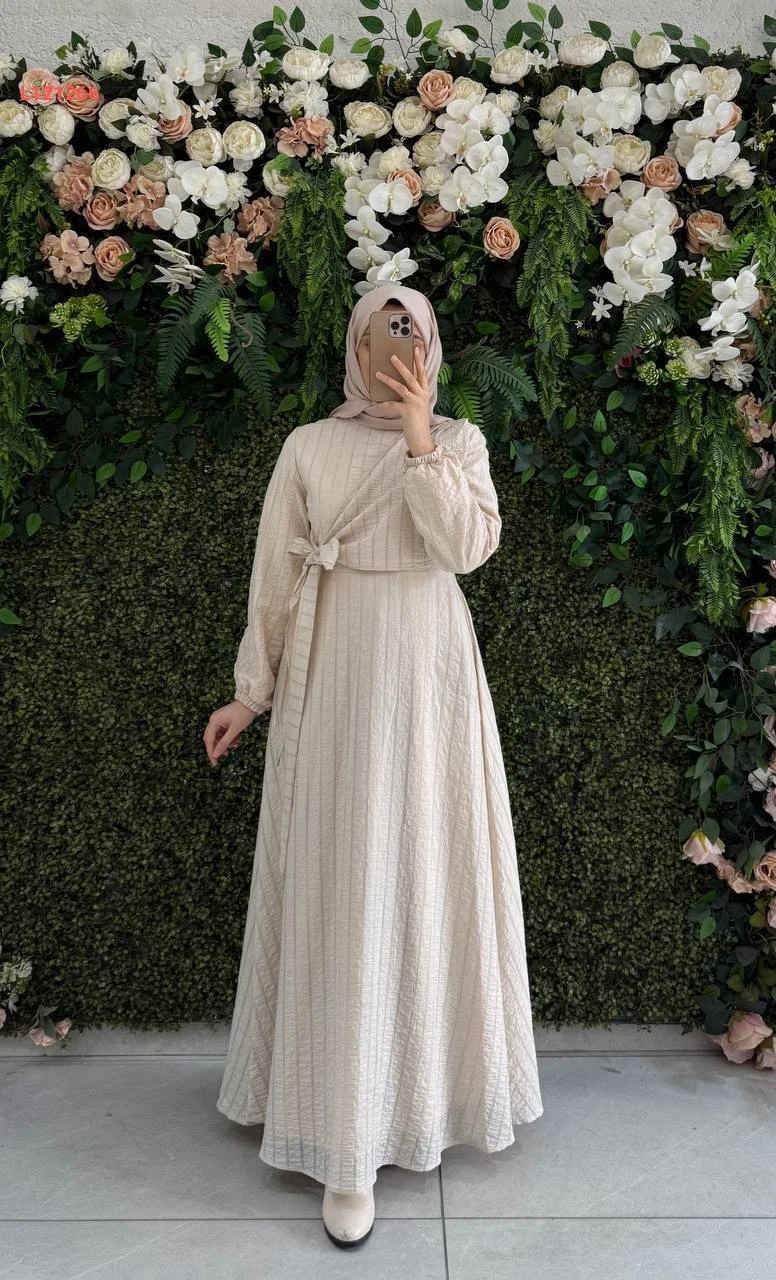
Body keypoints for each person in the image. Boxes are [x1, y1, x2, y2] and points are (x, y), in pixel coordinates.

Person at [204, 283, 544, 1249]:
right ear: (356, 348)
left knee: (430, 874)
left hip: (432, 678)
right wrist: (251, 692)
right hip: (336, 673)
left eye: (413, 333)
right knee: (346, 879)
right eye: (381, 333)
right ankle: (341, 1133)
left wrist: (423, 435)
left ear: (432, 348)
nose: (396, 348)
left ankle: (434, 1097)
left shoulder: (462, 442)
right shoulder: (309, 446)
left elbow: (467, 548)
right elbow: (276, 575)